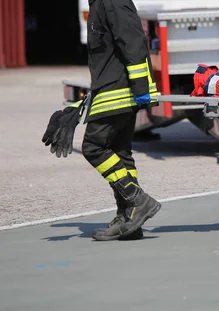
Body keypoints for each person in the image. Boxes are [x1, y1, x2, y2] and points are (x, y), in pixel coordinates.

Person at [42, 0, 162, 241]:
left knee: (94, 147)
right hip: (114, 88)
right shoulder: (100, 3)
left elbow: (133, 41)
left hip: (121, 90)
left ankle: (137, 200)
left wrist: (140, 88)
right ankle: (129, 219)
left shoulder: (112, 1)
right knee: (119, 151)